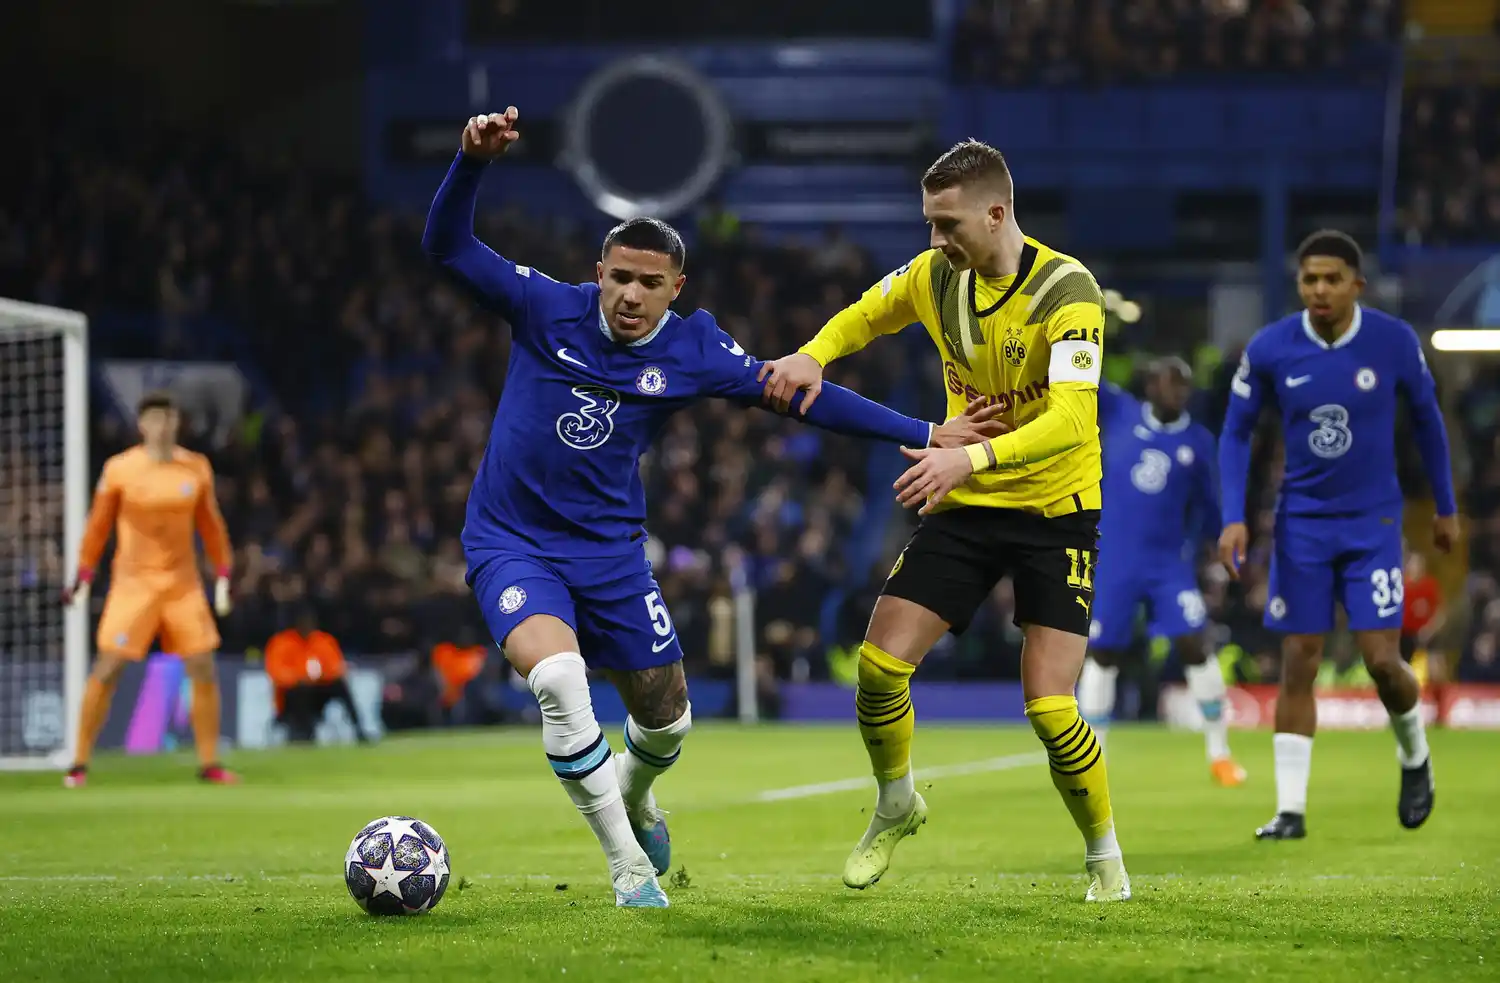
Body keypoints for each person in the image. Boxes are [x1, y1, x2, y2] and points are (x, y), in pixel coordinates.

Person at [422, 109, 1005, 907]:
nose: (630, 295)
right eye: (618, 277)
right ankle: (629, 869)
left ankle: (634, 793)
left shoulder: (693, 349)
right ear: (599, 273)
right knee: (558, 678)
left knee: (666, 723)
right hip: (512, 541)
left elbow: (801, 397)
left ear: (676, 288)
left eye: (648, 283)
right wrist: (469, 163)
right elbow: (448, 248)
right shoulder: (543, 307)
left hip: (610, 552)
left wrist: (926, 431)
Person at [759, 139, 1131, 902]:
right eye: (929, 223)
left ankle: (1104, 855)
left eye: (948, 224)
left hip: (1055, 510)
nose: (935, 240)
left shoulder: (1068, 291)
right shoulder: (936, 276)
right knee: (877, 667)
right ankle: (896, 802)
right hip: (969, 504)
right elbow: (869, 313)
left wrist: (970, 458)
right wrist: (813, 355)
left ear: (996, 213)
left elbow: (1072, 418)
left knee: (1050, 707)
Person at [1218, 230, 1457, 841]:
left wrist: (1446, 506)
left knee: (1382, 661)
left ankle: (1415, 755)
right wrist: (1233, 515)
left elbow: (1428, 421)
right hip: (1301, 524)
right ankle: (1290, 810)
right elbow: (1236, 431)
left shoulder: (1392, 341)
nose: (1319, 290)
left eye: (1332, 279)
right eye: (1309, 279)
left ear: (1357, 285)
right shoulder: (1272, 347)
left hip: (1373, 523)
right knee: (1299, 659)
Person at [1078, 357, 1243, 785]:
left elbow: (1209, 507)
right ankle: (1094, 756)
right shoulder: (1120, 411)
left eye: (1184, 386)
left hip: (1169, 563)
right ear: (1150, 386)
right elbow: (1082, 376)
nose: (1179, 393)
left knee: (1195, 644)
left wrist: (1214, 552)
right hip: (1116, 559)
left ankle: (1220, 753)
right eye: (1171, 384)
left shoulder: (1198, 442)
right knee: (1103, 652)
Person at [60, 392, 236, 786]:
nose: (162, 426)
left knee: (202, 664)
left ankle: (209, 763)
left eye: (168, 418)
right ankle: (79, 761)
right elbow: (98, 526)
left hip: (182, 584)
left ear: (177, 423)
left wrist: (224, 570)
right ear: (142, 425)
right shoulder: (120, 469)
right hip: (133, 584)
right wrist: (84, 574)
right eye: (155, 419)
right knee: (109, 666)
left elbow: (211, 525)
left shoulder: (195, 467)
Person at [264, 609, 372, 744]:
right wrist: (299, 678)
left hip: (318, 690)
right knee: (301, 691)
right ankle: (303, 734)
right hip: (292, 695)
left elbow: (336, 667)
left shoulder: (322, 640)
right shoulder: (282, 643)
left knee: (340, 685)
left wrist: (320, 677)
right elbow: (277, 672)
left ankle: (359, 730)